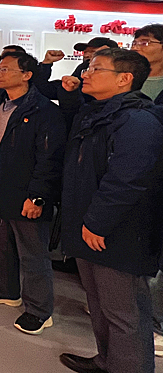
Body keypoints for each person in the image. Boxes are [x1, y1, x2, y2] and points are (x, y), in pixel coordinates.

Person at [57, 48, 163, 373]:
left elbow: (127, 180)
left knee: (124, 313)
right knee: (99, 303)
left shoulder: (139, 121)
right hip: (88, 224)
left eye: (96, 68)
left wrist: (98, 222)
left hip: (116, 232)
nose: (86, 73)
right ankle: (107, 361)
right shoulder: (97, 113)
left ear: (124, 79)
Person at [0, 52, 66, 335]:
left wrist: (37, 196)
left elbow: (50, 159)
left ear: (27, 75)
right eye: (0, 68)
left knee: (32, 253)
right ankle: (4, 290)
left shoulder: (44, 111)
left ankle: (39, 310)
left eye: (6, 69)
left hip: (26, 190)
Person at [130, 24, 163, 358]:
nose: (137, 46)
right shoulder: (130, 80)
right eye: (135, 42)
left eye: (145, 42)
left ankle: (157, 323)